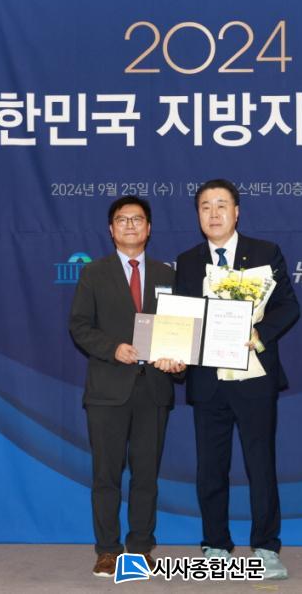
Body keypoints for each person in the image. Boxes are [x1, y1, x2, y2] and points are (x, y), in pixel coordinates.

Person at [175, 179, 300, 580]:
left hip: (253, 376)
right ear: (198, 215)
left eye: (221, 205)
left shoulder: (265, 252)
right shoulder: (188, 261)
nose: (213, 214)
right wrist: (175, 352)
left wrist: (260, 333)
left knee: (260, 465)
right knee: (210, 468)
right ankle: (215, 545)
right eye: (205, 207)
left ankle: (265, 547)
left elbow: (288, 306)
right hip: (207, 380)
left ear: (237, 211)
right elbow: (182, 319)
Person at [69, 196, 184, 578]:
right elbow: (79, 326)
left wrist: (178, 361)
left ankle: (139, 548)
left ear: (149, 228)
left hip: (154, 389)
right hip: (108, 390)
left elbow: (182, 328)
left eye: (137, 219)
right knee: (106, 476)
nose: (130, 225)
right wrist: (112, 348)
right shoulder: (94, 273)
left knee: (146, 476)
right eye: (122, 219)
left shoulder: (168, 274)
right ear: (111, 229)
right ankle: (107, 550)